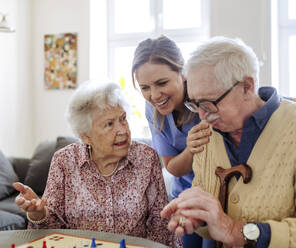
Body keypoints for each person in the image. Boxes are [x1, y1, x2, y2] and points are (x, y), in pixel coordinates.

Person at [132, 35, 296, 248]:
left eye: (209, 103)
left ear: (247, 87)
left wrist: (236, 231)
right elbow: (206, 205)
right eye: (195, 104)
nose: (202, 117)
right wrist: (199, 218)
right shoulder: (206, 134)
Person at [13, 81, 181, 247]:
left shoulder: (146, 157)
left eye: (123, 119)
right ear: (86, 136)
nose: (122, 130)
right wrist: (38, 213)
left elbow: (160, 222)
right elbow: (52, 230)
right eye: (109, 124)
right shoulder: (64, 160)